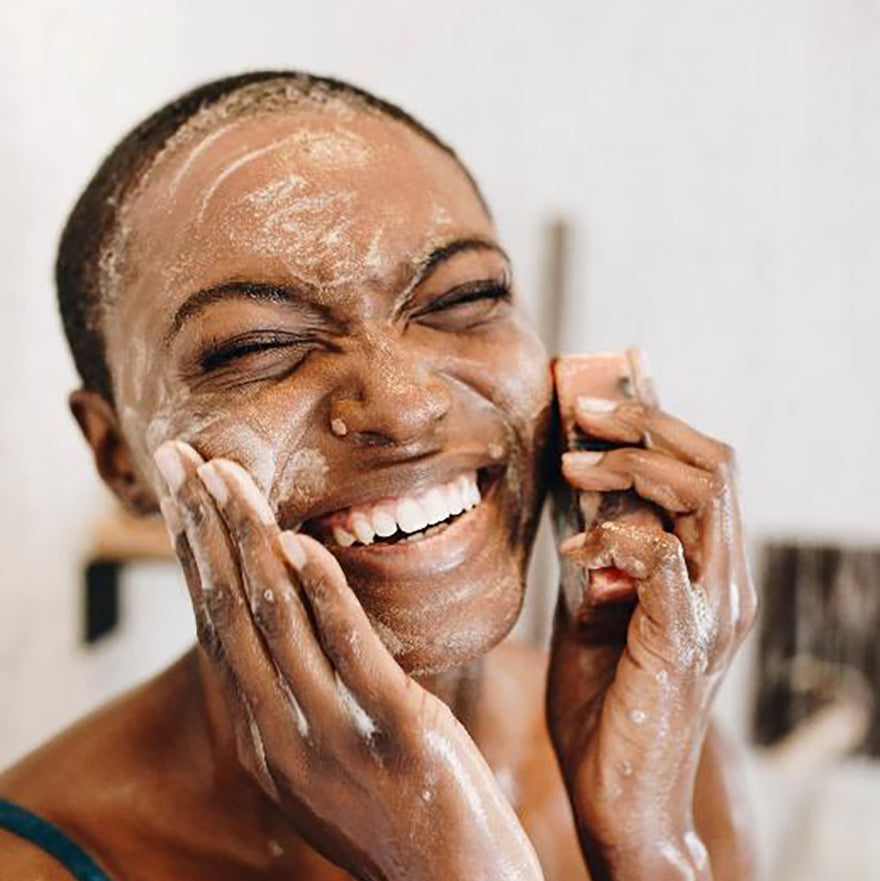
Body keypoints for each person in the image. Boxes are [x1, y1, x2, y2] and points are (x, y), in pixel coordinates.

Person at [0, 71, 757, 880]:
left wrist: (648, 846)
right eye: (256, 346)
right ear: (120, 455)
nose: (403, 405)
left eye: (464, 296)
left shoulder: (663, 756)